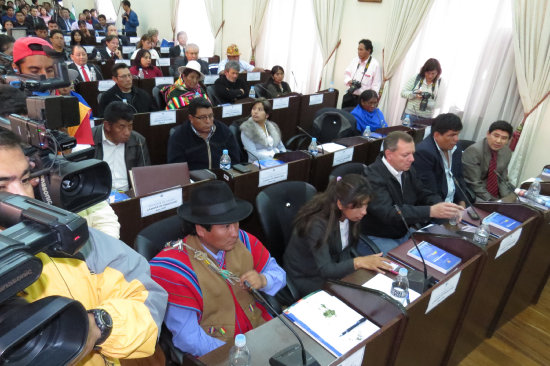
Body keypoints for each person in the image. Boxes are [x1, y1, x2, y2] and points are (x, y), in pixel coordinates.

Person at [2, 46, 167, 366]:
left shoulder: (63, 235)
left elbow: (149, 298)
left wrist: (95, 325)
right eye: (1, 185)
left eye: (26, 179)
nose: (22, 195)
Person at [150, 180, 286, 356]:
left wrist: (263, 280)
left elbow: (279, 274)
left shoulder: (244, 242)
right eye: (226, 226)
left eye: (236, 223)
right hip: (218, 351)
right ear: (200, 229)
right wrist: (236, 353)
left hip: (258, 332)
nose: (234, 232)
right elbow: (188, 337)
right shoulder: (175, 269)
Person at [284, 174, 393, 297]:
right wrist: (358, 262)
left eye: (366, 204)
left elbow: (345, 250)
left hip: (335, 265)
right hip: (308, 276)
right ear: (340, 204)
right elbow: (326, 270)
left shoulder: (349, 215)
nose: (364, 211)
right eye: (358, 206)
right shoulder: (316, 224)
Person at [361, 131, 463, 254]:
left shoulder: (407, 170)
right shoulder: (372, 176)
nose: (412, 159)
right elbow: (390, 213)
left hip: (403, 231)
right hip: (378, 235)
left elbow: (423, 193)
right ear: (389, 154)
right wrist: (431, 211)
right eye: (406, 155)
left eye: (413, 154)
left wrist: (444, 207)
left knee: (435, 252)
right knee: (404, 267)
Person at [92, 101, 150, 192]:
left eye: (130, 126)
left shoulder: (138, 140)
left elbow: (144, 175)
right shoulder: (91, 139)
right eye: (121, 127)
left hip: (129, 194)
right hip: (99, 195)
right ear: (107, 125)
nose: (127, 132)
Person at [166, 98, 240, 169]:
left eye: (211, 116)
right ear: (191, 118)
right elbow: (177, 169)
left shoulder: (224, 131)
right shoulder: (179, 137)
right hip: (194, 180)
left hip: (221, 177)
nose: (208, 121)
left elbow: (235, 160)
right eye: (202, 117)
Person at [413, 113, 467, 206]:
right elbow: (429, 191)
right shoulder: (424, 152)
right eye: (452, 135)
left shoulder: (456, 147)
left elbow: (459, 177)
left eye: (457, 134)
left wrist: (462, 203)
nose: (456, 139)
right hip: (436, 207)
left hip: (454, 203)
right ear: (437, 135)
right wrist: (449, 212)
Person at [462, 121, 514, 201]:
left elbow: (502, 179)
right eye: (496, 136)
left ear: (508, 140)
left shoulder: (507, 152)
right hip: (476, 192)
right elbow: (474, 183)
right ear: (488, 134)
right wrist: (493, 202)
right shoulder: (474, 151)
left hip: (496, 191)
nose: (498, 141)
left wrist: (506, 199)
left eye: (504, 138)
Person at [400, 58, 442, 122]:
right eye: (428, 73)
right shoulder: (417, 78)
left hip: (427, 118)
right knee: (406, 132)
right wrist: (414, 94)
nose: (430, 76)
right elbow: (403, 93)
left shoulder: (440, 83)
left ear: (438, 72)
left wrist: (427, 102)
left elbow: (439, 103)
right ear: (424, 71)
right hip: (410, 115)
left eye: (433, 73)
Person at [343, 39, 381, 108]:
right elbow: (346, 74)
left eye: (361, 50)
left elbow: (376, 85)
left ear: (368, 50)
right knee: (344, 117)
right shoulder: (354, 60)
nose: (358, 52)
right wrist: (349, 81)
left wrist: (371, 102)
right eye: (358, 49)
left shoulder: (375, 65)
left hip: (363, 101)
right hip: (350, 95)